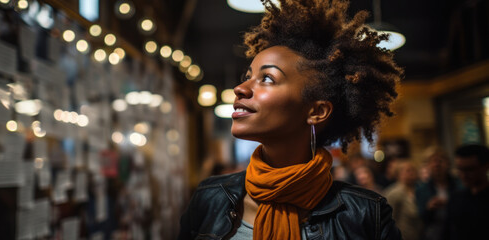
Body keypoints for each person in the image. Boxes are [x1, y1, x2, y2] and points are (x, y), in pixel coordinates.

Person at [178, 0, 403, 239]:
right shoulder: (209, 198)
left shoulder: (366, 214)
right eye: (248, 76)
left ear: (317, 112)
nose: (240, 88)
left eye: (267, 78)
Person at [415, 147, 461, 240]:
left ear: (448, 163)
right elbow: (421, 217)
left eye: (440, 161)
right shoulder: (421, 189)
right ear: (428, 165)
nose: (437, 164)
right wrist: (429, 208)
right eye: (433, 161)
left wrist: (449, 203)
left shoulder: (459, 184)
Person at [445, 144, 489, 239]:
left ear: (485, 166)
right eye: (460, 169)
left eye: (469, 169)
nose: (463, 175)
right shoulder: (456, 198)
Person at [384, 161, 422, 240]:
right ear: (399, 174)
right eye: (408, 171)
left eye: (413, 170)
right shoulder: (394, 193)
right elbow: (390, 219)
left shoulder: (419, 189)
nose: (411, 173)